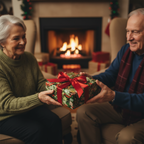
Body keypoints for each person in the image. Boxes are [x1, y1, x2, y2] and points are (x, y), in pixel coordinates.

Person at [77, 8, 144, 144]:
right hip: (121, 106)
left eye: (135, 32)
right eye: (127, 31)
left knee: (127, 138)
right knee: (84, 112)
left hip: (140, 113)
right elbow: (111, 75)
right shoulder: (126, 50)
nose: (129, 37)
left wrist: (114, 96)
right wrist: (91, 79)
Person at [0, 15, 63, 144]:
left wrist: (59, 89)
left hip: (27, 107)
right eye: (16, 38)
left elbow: (40, 83)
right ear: (2, 42)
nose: (23, 42)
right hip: (4, 116)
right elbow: (7, 104)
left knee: (54, 121)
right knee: (35, 130)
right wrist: (39, 98)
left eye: (23, 36)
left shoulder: (29, 57)